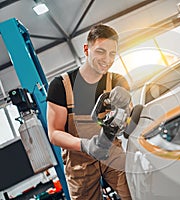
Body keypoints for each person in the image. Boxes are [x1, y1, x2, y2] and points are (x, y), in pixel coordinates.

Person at [46, 23, 132, 200]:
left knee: (137, 192)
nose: (106, 59)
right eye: (100, 51)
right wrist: (85, 145)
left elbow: (128, 125)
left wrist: (125, 105)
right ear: (86, 49)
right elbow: (54, 133)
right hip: (79, 163)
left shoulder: (116, 81)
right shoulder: (61, 86)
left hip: (112, 154)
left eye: (112, 54)